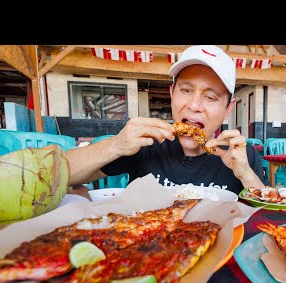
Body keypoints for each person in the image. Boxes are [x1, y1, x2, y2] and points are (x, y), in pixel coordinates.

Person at [65, 45, 268, 194]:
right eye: (186, 90)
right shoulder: (146, 143)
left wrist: (246, 175)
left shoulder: (241, 155)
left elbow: (271, 221)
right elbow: (60, 175)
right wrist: (115, 145)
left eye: (210, 97)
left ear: (227, 109)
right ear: (172, 94)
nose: (194, 105)